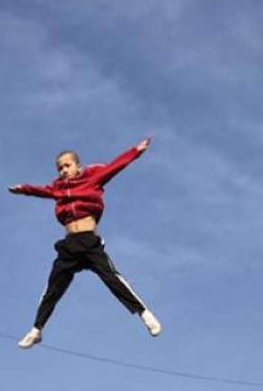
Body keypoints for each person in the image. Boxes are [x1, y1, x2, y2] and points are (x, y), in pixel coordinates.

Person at [9, 139, 162, 348]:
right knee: (53, 287)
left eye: (67, 165)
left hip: (89, 241)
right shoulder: (58, 189)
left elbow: (115, 166)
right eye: (59, 167)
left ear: (77, 166)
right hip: (69, 245)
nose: (63, 170)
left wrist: (136, 151)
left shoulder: (93, 180)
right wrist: (23, 189)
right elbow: (41, 191)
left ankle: (144, 313)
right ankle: (37, 329)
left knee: (112, 278)